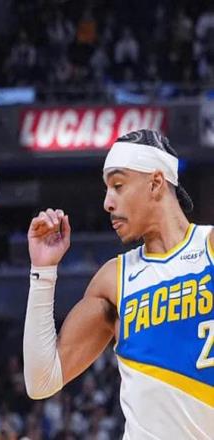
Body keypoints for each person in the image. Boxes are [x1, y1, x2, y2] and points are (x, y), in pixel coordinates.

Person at [23, 129, 214, 439]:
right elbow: (40, 381)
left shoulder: (209, 247)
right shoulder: (114, 279)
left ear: (156, 183)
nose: (107, 203)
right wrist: (43, 271)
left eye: (118, 186)